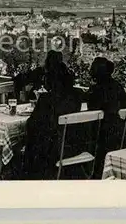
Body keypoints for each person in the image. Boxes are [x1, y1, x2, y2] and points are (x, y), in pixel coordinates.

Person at [23, 51, 83, 179]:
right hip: (75, 145)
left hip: (54, 150)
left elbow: (31, 125)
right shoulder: (77, 96)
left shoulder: (46, 99)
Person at [86, 57, 126, 178]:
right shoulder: (118, 86)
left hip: (102, 136)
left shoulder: (96, 90)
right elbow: (125, 106)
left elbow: (92, 111)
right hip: (120, 133)